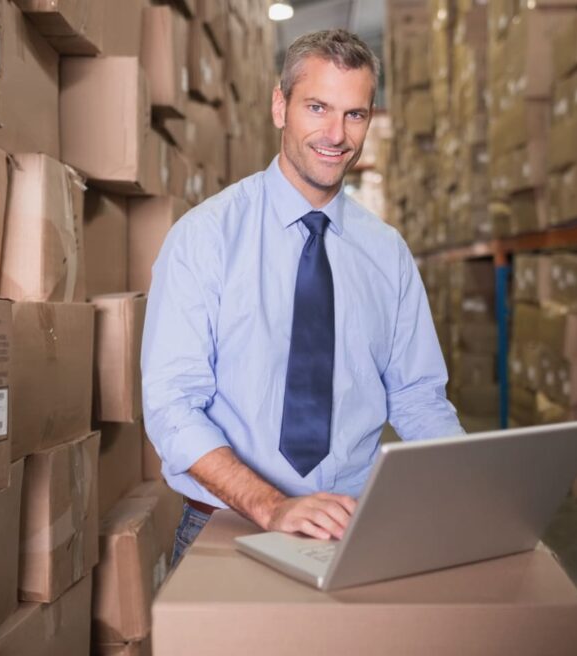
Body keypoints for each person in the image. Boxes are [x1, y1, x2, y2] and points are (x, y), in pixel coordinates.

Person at [142, 29, 465, 566]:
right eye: (318, 107)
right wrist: (272, 507)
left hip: (353, 528)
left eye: (355, 114)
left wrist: (472, 484)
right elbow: (172, 406)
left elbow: (417, 397)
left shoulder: (387, 254)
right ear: (280, 106)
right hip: (225, 523)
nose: (336, 134)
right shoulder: (206, 237)